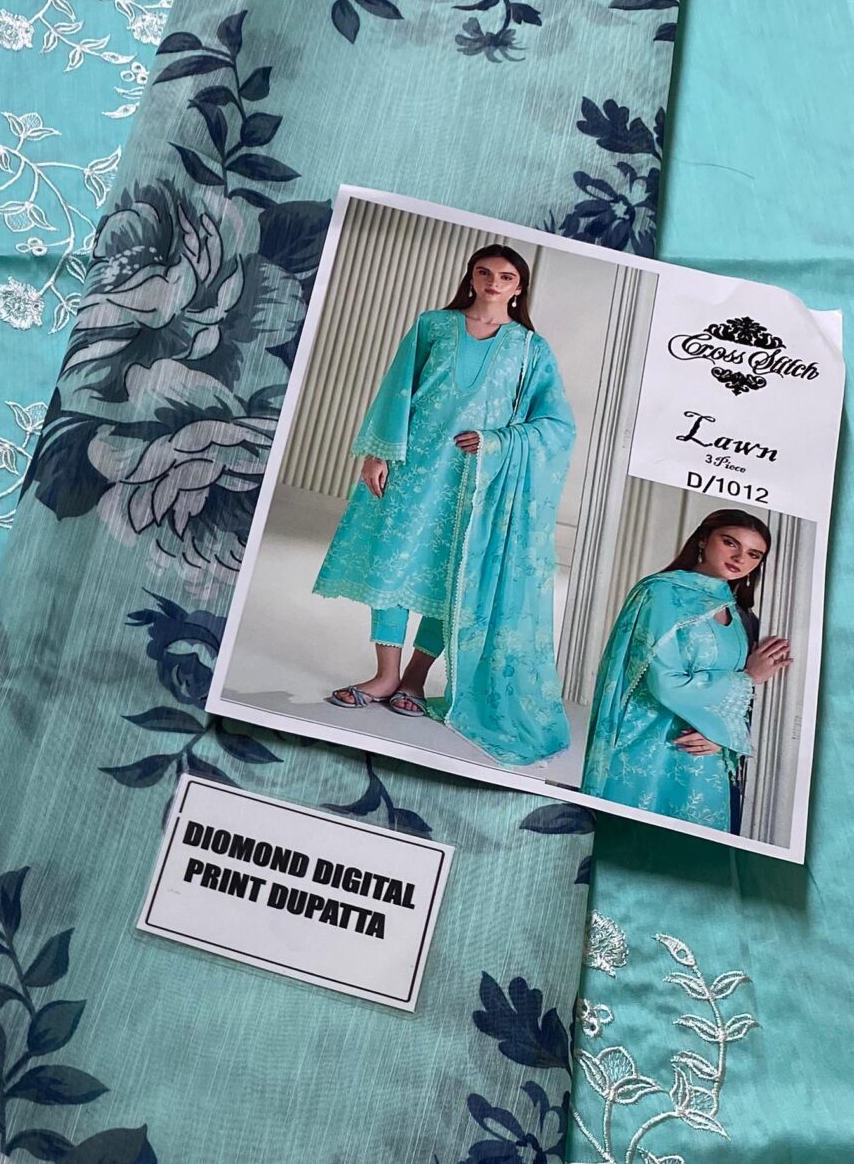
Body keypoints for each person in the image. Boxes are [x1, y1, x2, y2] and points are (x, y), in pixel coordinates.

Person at [313, 244, 575, 764]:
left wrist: (499, 441)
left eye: (506, 276)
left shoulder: (531, 349)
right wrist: (378, 453)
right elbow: (396, 390)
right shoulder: (433, 325)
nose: (494, 282)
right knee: (392, 563)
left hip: (478, 482)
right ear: (470, 277)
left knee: (451, 574)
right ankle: (385, 675)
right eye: (485, 272)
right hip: (413, 466)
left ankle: (415, 679)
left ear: (519, 287)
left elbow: (556, 424)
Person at [582, 510, 791, 833]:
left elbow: (737, 707)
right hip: (647, 752)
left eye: (754, 554)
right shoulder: (661, 593)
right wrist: (748, 678)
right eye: (730, 543)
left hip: (704, 763)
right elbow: (664, 683)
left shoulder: (741, 617)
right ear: (704, 539)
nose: (740, 558)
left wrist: (722, 735)